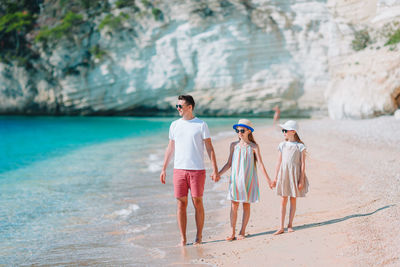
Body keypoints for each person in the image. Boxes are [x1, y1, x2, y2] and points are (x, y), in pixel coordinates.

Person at [160, 95, 220, 246]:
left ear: (190, 107)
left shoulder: (201, 125)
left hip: (197, 170)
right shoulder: (174, 125)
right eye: (177, 106)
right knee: (181, 203)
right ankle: (183, 238)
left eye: (180, 106)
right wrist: (163, 168)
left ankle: (199, 237)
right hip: (179, 170)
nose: (178, 108)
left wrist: (215, 169)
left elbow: (209, 147)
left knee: (197, 202)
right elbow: (170, 148)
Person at [218, 119, 273, 241]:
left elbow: (260, 164)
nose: (239, 133)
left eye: (242, 130)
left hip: (248, 179)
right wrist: (218, 174)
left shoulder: (254, 147)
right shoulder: (233, 145)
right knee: (234, 205)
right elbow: (228, 163)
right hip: (235, 179)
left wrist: (269, 180)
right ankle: (232, 232)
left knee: (246, 205)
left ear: (249, 131)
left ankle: (242, 231)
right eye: (237, 130)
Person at [272, 120, 309, 235]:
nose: (283, 132)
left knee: (293, 199)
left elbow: (302, 164)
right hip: (284, 174)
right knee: (283, 199)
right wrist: (275, 178)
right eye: (283, 130)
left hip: (295, 174)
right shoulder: (282, 145)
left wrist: (301, 179)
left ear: (293, 131)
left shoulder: (300, 146)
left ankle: (290, 225)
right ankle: (281, 226)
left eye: (285, 130)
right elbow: (278, 162)